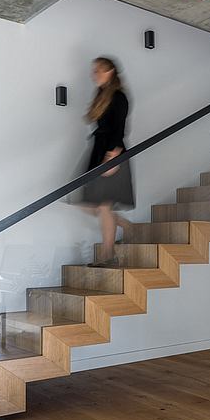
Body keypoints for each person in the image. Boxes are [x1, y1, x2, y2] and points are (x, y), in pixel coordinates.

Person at [79, 56, 135, 266]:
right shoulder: (101, 95)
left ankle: (107, 255)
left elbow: (120, 128)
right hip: (98, 151)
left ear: (110, 72)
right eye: (94, 71)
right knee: (87, 203)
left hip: (112, 153)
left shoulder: (119, 97)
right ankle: (125, 226)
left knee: (103, 206)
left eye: (99, 71)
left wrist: (113, 156)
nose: (94, 75)